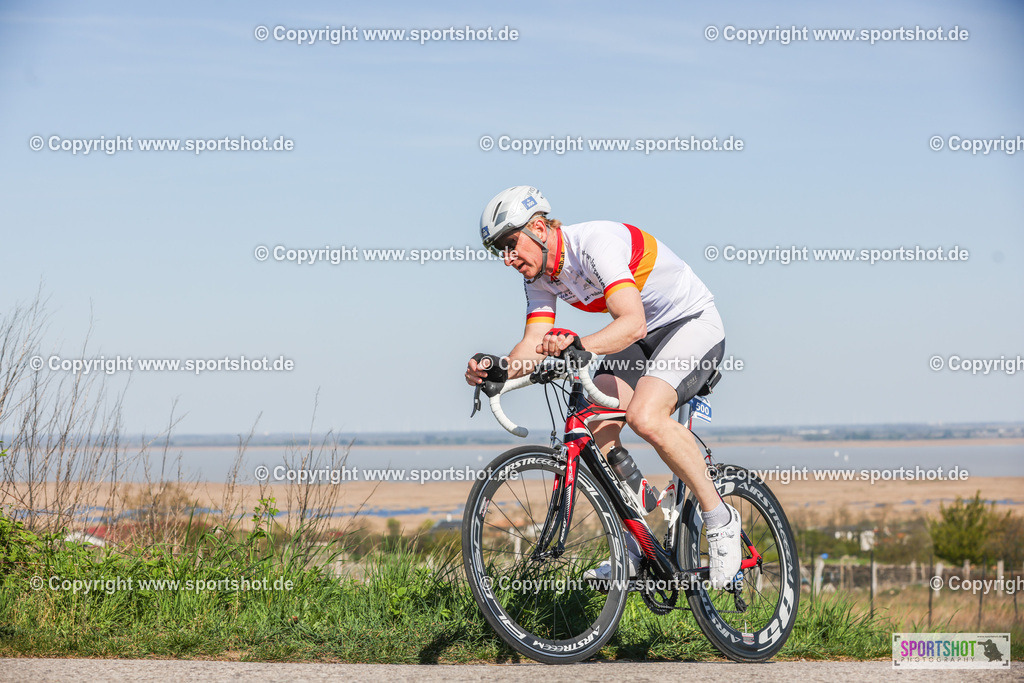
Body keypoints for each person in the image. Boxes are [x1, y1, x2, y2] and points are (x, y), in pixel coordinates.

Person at [465, 185, 741, 589]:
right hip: (639, 341)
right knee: (593, 421)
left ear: (539, 227)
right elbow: (533, 344)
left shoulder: (594, 244)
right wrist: (500, 370)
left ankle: (720, 519)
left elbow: (632, 322)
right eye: (498, 252)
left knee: (645, 416)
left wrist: (579, 345)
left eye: (510, 244)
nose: (507, 259)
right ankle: (636, 541)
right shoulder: (540, 276)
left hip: (688, 323)